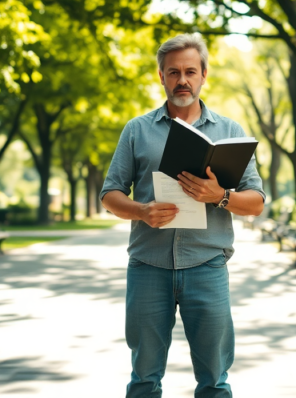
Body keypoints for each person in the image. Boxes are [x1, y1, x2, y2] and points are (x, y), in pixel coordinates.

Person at [100, 34, 265, 398]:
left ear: (204, 74)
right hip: (148, 266)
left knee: (215, 381)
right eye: (173, 72)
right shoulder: (137, 130)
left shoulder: (230, 133)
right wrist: (141, 211)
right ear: (161, 76)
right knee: (143, 380)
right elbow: (109, 194)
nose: (182, 80)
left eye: (191, 71)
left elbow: (256, 202)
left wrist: (220, 196)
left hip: (207, 266)